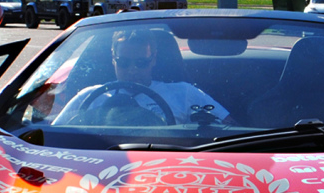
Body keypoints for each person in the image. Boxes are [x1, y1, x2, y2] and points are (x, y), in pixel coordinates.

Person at [52, 29, 232, 125]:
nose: (132, 70)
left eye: (141, 63)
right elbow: (53, 138)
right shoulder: (88, 97)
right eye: (123, 62)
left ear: (153, 59)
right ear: (113, 59)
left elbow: (230, 127)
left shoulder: (183, 93)